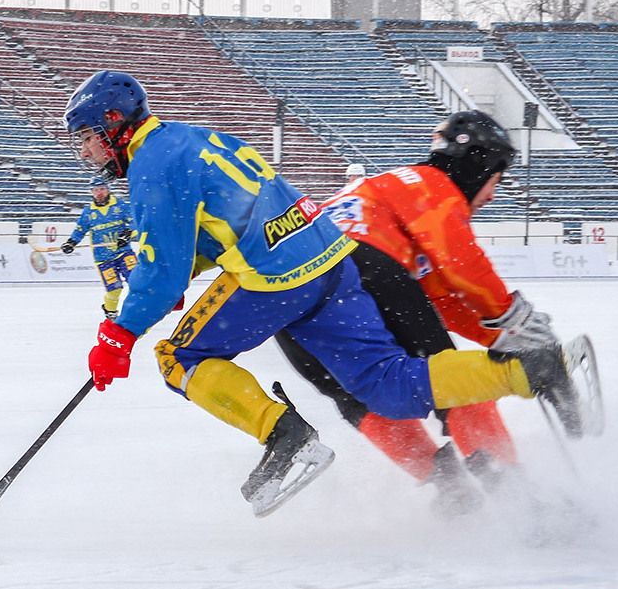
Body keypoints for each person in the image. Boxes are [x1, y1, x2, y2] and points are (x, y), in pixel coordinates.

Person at [63, 70, 566, 517]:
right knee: (386, 384)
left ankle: (285, 437)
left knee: (178, 356)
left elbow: (160, 268)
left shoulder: (152, 163)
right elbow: (214, 225)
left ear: (114, 123)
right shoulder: (185, 139)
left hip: (277, 278)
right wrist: (184, 271)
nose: (83, 151)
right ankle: (532, 369)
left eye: (87, 136)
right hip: (329, 258)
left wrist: (118, 333)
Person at [275, 109, 586, 511]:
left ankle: (450, 488)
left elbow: (438, 300)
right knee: (453, 382)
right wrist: (516, 320)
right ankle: (520, 501)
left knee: (357, 398)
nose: (492, 195)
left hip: (288, 291)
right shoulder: (431, 184)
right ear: (479, 163)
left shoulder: (381, 195)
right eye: (497, 178)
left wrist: (501, 336)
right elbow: (461, 264)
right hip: (363, 266)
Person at [59, 177, 136, 319]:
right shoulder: (89, 212)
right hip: (103, 258)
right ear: (91, 192)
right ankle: (110, 311)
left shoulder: (120, 205)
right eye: (95, 190)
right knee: (115, 289)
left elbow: (135, 223)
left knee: (137, 282)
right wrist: (71, 243)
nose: (99, 193)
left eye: (102, 189)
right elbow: (80, 230)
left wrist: (127, 234)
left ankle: (141, 310)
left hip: (123, 252)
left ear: (108, 189)